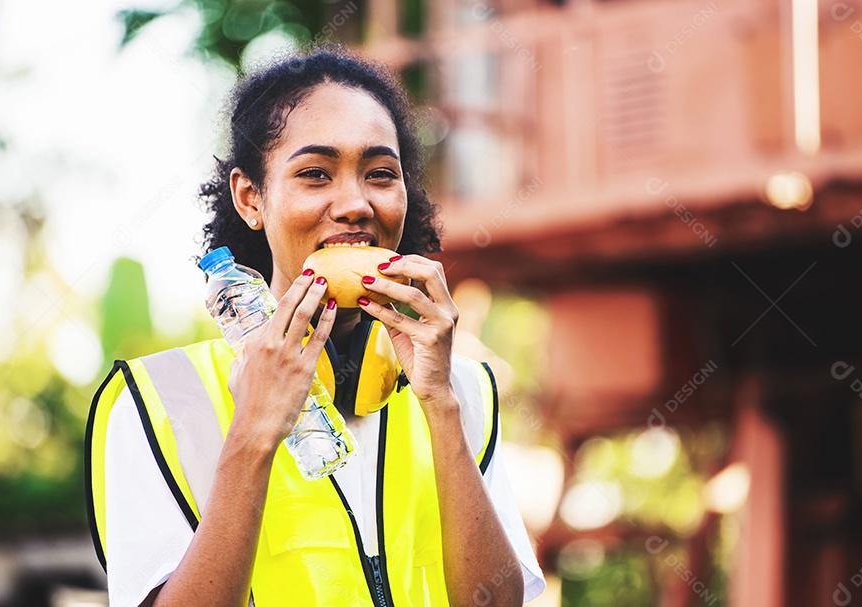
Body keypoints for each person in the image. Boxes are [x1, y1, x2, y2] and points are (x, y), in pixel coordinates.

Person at [85, 45, 546, 607]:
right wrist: (254, 431)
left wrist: (441, 406)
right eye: (314, 174)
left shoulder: (463, 387)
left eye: (380, 174)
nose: (355, 203)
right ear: (251, 198)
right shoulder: (157, 400)